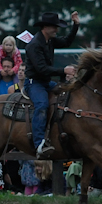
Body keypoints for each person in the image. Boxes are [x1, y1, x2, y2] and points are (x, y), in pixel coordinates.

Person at [24, 11, 80, 158]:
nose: (56, 29)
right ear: (45, 27)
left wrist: (76, 25)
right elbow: (41, 69)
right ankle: (39, 143)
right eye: (54, 27)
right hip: (34, 83)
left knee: (67, 94)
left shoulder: (49, 40)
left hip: (45, 82)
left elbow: (67, 41)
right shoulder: (34, 45)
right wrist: (64, 70)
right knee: (42, 105)